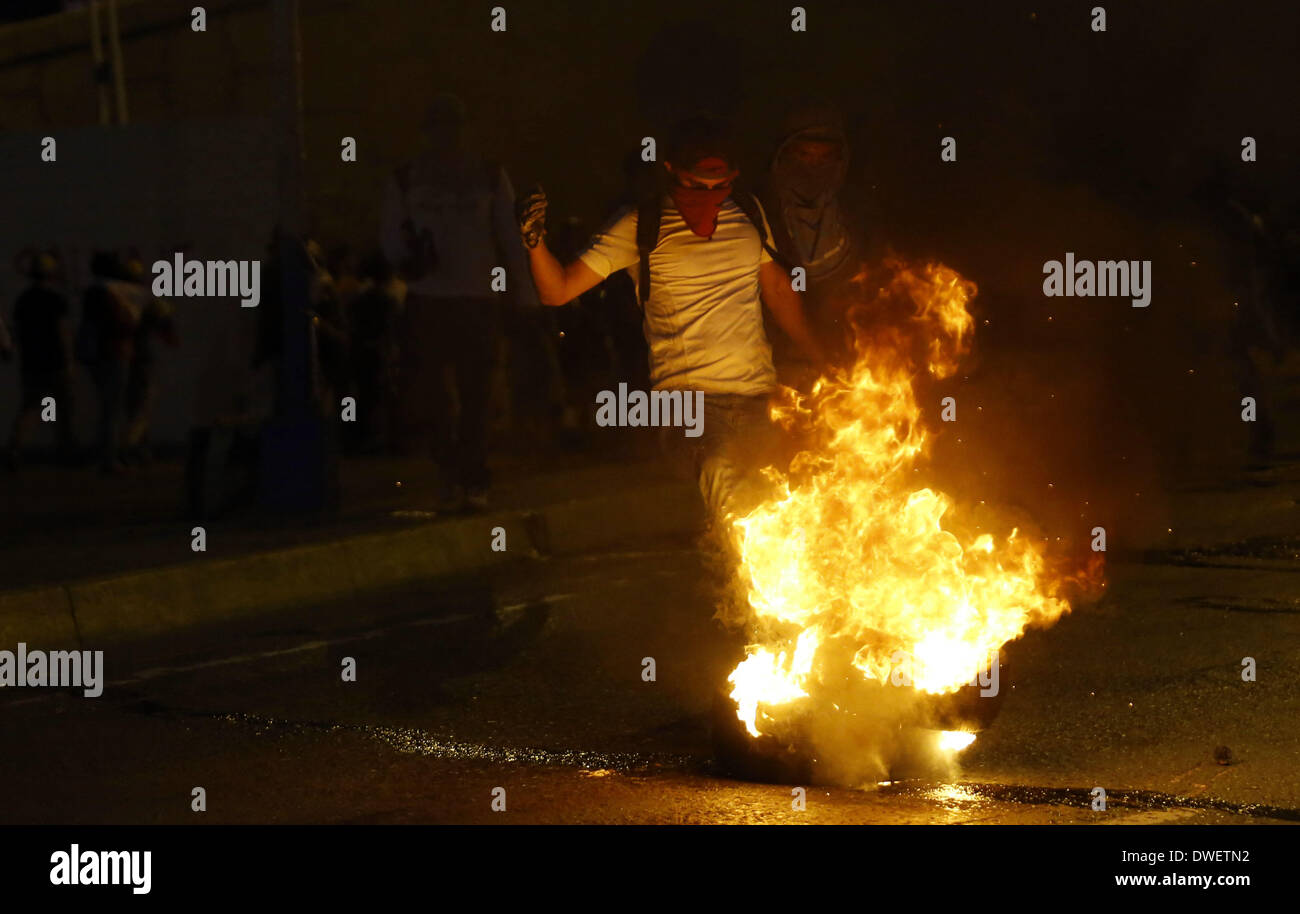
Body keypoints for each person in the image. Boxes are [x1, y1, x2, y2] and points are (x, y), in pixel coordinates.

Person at [518, 115, 825, 524]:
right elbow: (556, 291)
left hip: (759, 400)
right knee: (729, 493)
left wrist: (819, 355)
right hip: (688, 408)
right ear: (670, 172)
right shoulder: (639, 226)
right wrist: (534, 242)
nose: (711, 196)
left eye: (720, 187)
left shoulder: (747, 212)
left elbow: (778, 289)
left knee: (786, 508)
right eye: (698, 187)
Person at [380, 92, 538, 511]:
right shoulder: (405, 179)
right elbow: (391, 237)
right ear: (427, 132)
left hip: (477, 299)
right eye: (440, 127)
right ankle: (451, 471)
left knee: (476, 396)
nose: (447, 136)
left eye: (453, 126)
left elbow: (509, 235)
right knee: (433, 398)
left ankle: (471, 478)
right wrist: (407, 260)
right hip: (428, 299)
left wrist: (523, 289)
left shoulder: (489, 175)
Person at [6, 251, 76, 469]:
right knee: (62, 410)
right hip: (56, 362)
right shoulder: (56, 299)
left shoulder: (23, 300)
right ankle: (65, 453)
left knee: (29, 409)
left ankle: (14, 449)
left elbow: (16, 332)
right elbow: (62, 332)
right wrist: (69, 360)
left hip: (31, 363)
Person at [79, 251, 142, 474]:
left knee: (107, 407)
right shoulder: (115, 293)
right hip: (115, 353)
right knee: (112, 409)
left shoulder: (90, 292)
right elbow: (124, 323)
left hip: (94, 355)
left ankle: (105, 454)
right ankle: (109, 458)